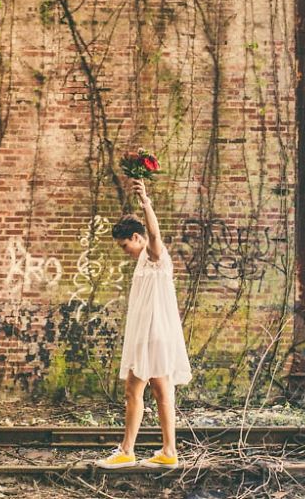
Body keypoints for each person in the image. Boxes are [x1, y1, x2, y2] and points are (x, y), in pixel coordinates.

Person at [94, 179, 192, 469]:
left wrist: (145, 201)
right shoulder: (144, 262)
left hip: (152, 337)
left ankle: (127, 450)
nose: (124, 250)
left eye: (125, 244)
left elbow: (155, 232)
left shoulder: (153, 256)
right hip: (155, 336)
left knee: (133, 391)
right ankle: (168, 452)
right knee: (162, 393)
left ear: (137, 237)